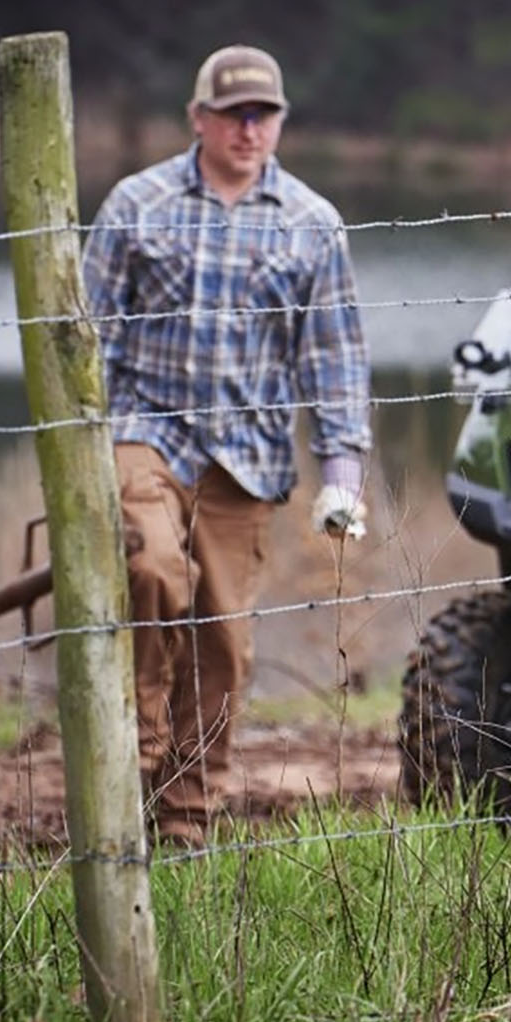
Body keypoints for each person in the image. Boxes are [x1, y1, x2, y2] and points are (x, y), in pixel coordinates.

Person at [83, 45, 372, 848]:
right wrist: (79, 453)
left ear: (280, 121)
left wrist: (342, 474)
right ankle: (128, 766)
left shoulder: (312, 223)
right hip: (146, 432)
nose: (250, 129)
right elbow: (84, 336)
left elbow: (335, 358)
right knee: (148, 566)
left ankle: (183, 823)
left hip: (247, 458)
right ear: (198, 118)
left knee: (223, 644)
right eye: (234, 113)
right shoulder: (136, 205)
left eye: (264, 114)